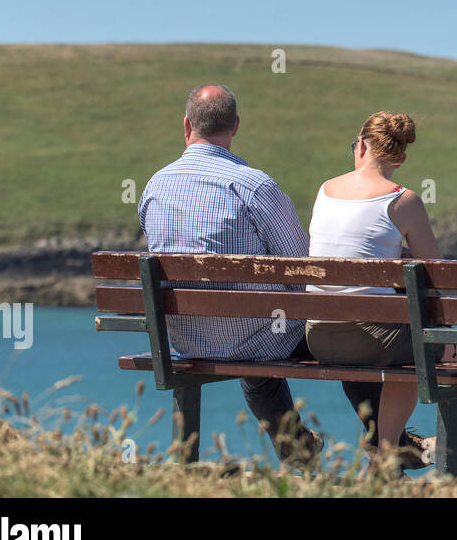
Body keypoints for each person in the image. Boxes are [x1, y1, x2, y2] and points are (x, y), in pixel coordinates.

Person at [137, 84, 333, 462]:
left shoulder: (154, 186)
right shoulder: (253, 185)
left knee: (256, 328)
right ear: (236, 126)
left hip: (183, 338)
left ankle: (296, 450)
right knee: (326, 332)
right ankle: (384, 448)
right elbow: (301, 265)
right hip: (255, 336)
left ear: (186, 125)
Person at [305, 111, 457, 479]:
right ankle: (448, 465)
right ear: (400, 156)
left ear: (362, 146)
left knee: (410, 344)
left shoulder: (325, 190)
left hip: (318, 335)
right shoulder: (402, 201)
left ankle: (385, 463)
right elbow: (437, 273)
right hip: (368, 338)